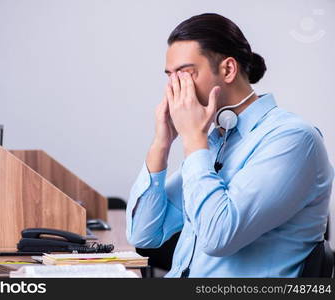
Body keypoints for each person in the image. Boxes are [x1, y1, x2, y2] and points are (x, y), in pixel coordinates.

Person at [126, 13, 334, 277]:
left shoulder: (293, 140)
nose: (175, 88)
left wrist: (193, 140)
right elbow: (144, 235)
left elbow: (218, 237)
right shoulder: (216, 142)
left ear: (227, 70)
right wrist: (161, 144)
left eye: (185, 75)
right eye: (170, 76)